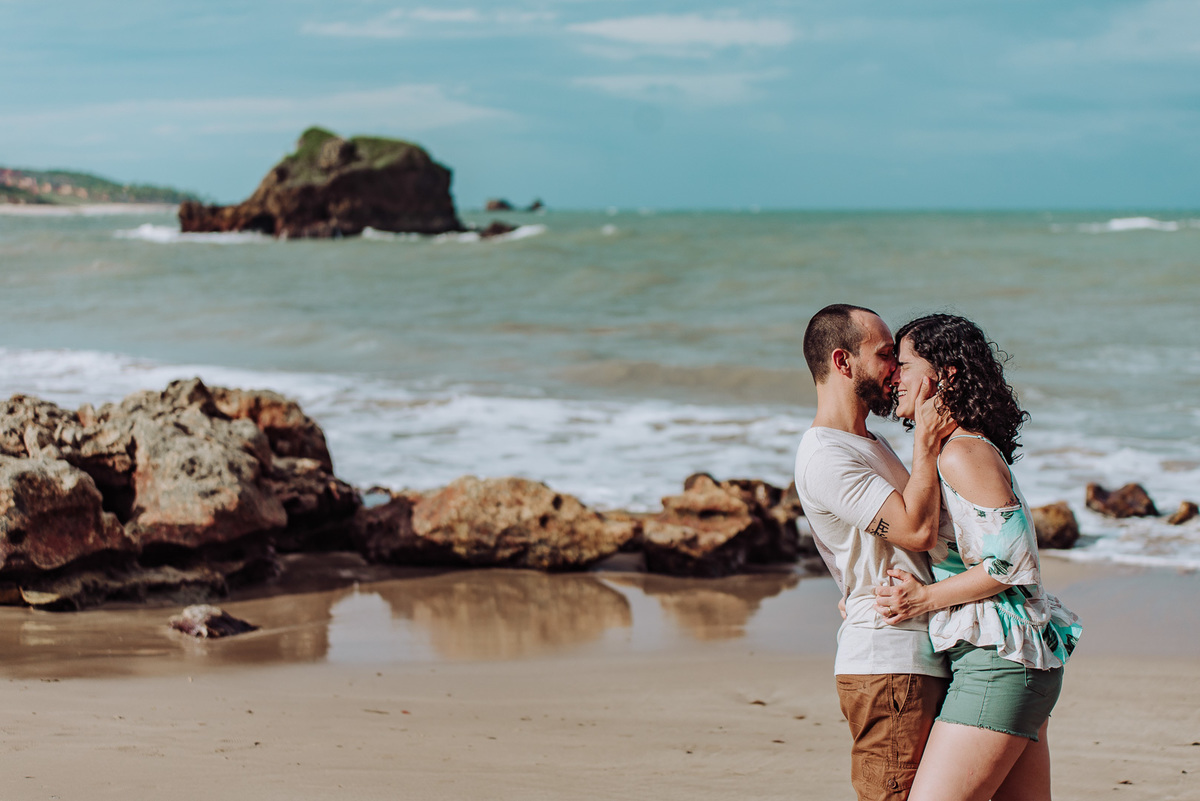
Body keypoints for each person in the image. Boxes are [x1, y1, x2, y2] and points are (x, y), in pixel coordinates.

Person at [874, 313, 1082, 801]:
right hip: (1011, 660)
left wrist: (922, 599)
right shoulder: (955, 449)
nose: (894, 377)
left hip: (1001, 662)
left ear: (944, 375)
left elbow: (1012, 564)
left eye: (904, 364)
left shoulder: (962, 453)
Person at [794, 303, 957, 801]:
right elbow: (915, 530)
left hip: (912, 652)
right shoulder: (827, 455)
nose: (897, 370)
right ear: (843, 362)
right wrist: (925, 444)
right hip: (889, 660)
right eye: (886, 355)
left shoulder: (868, 441)